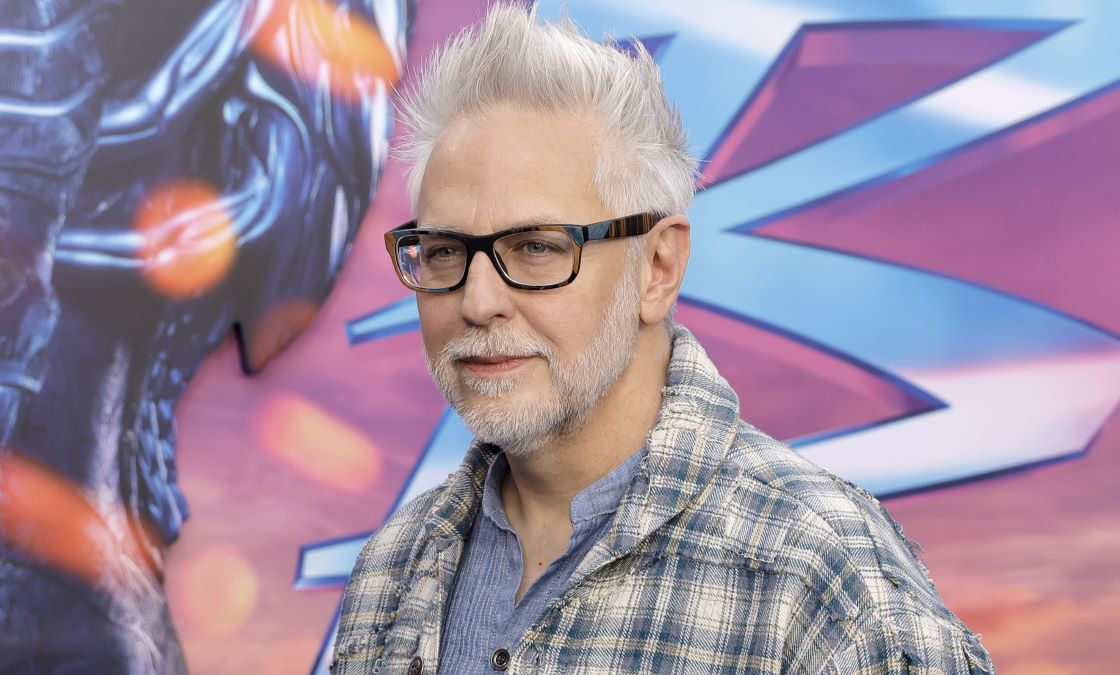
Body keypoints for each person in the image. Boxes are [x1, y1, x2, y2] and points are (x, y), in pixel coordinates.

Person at [332, 4, 995, 674]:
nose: (476, 301)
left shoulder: (818, 573)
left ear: (658, 267)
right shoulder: (395, 563)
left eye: (535, 246)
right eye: (444, 251)